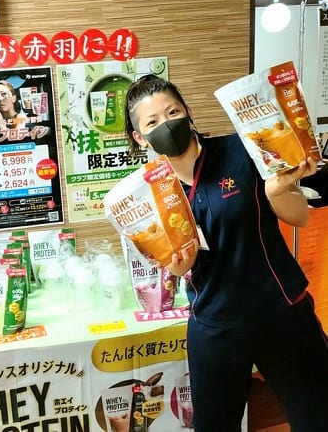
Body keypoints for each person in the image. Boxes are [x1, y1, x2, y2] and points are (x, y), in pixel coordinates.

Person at [123, 74, 328, 431]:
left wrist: (278, 191)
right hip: (215, 325)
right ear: (140, 137)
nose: (166, 125)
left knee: (319, 418)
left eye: (172, 112)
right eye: (152, 122)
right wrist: (180, 262)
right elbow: (178, 267)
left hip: (282, 312)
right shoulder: (149, 194)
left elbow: (300, 217)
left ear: (187, 111)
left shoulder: (240, 150)